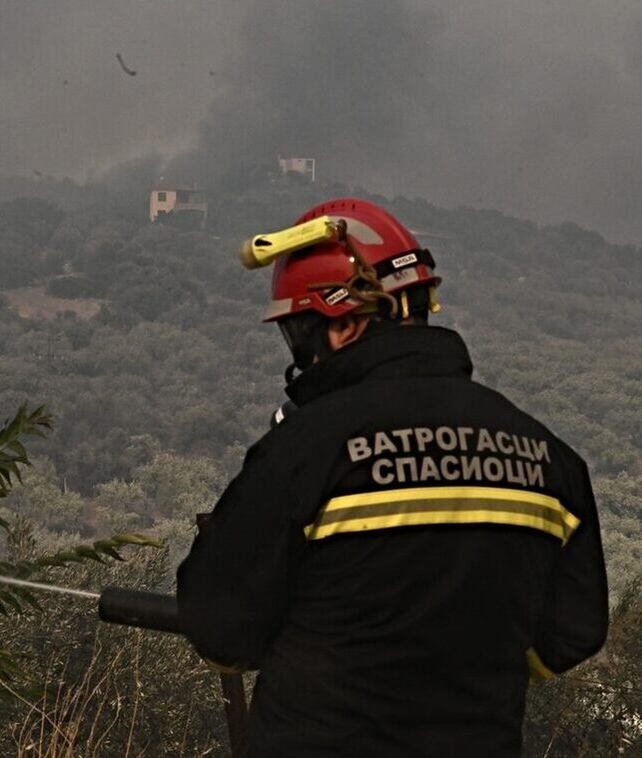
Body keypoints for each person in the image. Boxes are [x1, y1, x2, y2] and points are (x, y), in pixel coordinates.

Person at [177, 198, 608, 757]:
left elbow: (218, 628)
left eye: (298, 336)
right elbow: (574, 632)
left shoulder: (304, 450)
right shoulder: (549, 458)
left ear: (343, 324)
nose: (301, 359)